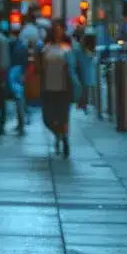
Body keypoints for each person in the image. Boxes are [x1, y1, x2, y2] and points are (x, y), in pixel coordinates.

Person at [40, 22, 80, 157]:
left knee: (63, 117)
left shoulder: (68, 49)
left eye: (60, 30)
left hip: (64, 89)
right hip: (48, 88)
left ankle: (64, 139)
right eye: (56, 30)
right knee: (48, 118)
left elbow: (74, 68)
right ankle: (59, 133)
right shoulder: (45, 48)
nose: (58, 32)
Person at [7, 25, 31, 134]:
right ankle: (21, 123)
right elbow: (26, 61)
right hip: (20, 71)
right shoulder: (22, 45)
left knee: (19, 98)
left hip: (14, 71)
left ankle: (21, 124)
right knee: (20, 98)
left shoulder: (12, 44)